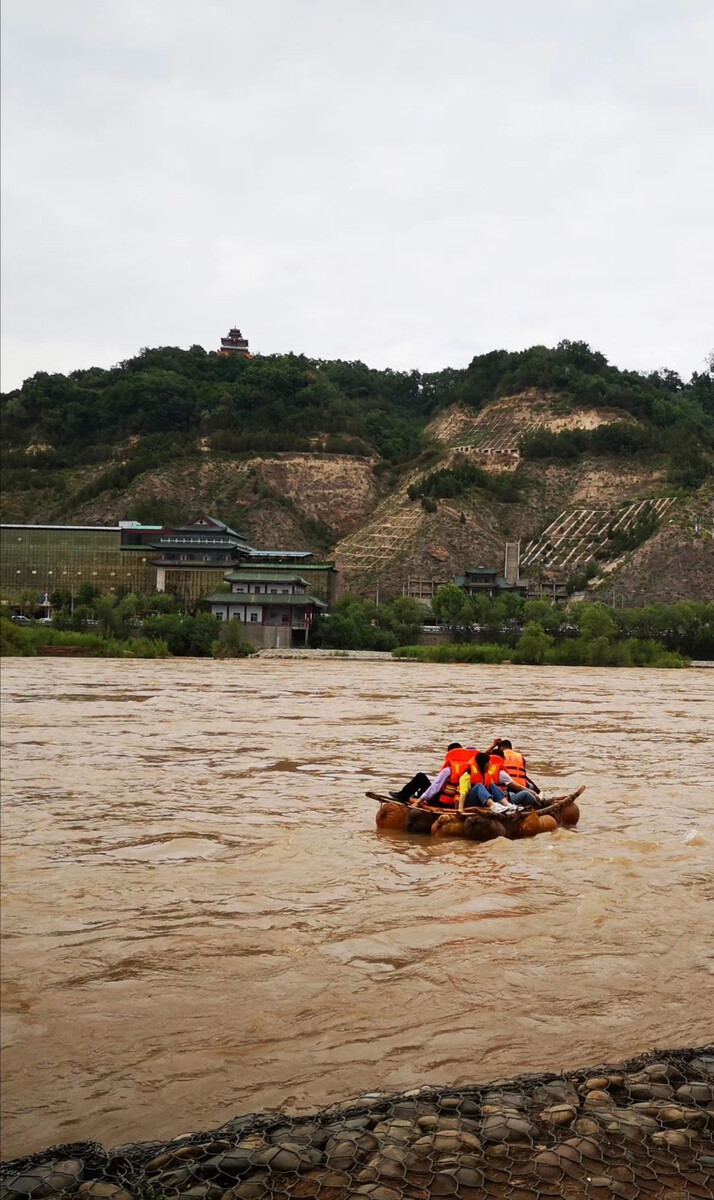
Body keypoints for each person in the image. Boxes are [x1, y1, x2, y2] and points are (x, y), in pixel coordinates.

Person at [390, 742, 475, 808]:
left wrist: (419, 801)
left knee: (421, 776)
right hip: (456, 799)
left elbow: (435, 787)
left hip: (441, 800)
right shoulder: (468, 767)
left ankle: (402, 796)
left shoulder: (448, 770)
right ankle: (415, 796)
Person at [493, 740, 541, 808]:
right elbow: (523, 773)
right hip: (513, 787)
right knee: (530, 787)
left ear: (501, 748)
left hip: (508, 786)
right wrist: (534, 793)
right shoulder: (520, 756)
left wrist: (493, 745)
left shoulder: (493, 767)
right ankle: (540, 805)